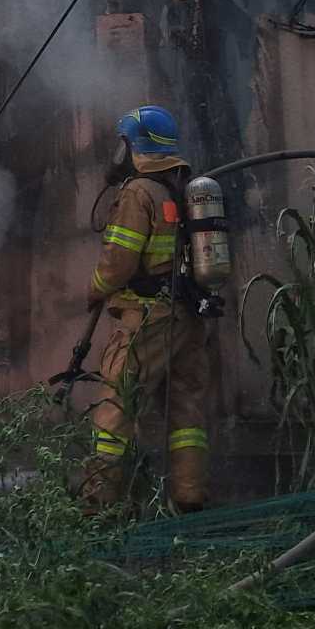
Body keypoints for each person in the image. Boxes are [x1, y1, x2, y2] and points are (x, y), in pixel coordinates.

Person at [78, 104, 214, 513]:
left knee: (116, 405)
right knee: (186, 411)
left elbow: (118, 262)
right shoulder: (185, 186)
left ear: (131, 146)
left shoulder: (139, 192)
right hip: (188, 315)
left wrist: (95, 290)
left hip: (149, 319)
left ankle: (98, 502)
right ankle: (190, 497)